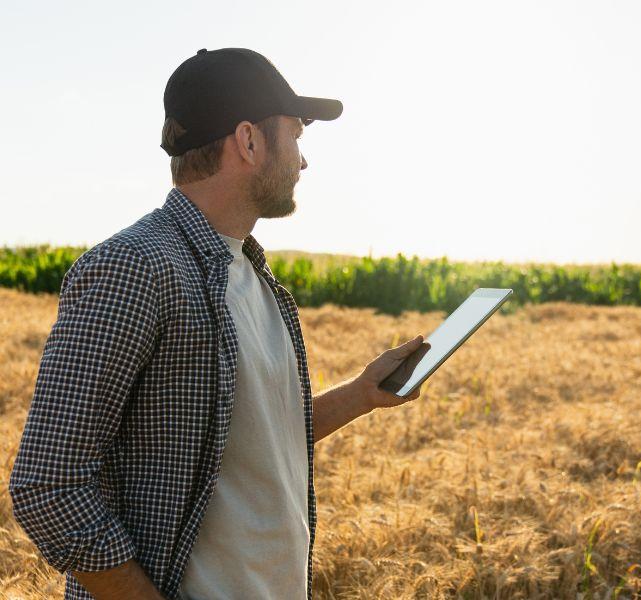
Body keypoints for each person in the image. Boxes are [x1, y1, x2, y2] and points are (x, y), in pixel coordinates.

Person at [7, 47, 425, 600]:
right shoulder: (136, 267)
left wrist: (362, 394)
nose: (303, 161)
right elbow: (48, 483)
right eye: (296, 135)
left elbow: (246, 444)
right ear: (249, 141)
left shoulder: (254, 275)